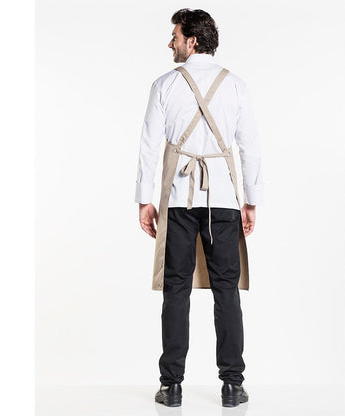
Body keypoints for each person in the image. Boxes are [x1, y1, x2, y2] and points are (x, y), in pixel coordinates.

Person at [135, 8, 264, 408]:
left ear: (192, 41)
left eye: (174, 36)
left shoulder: (164, 85)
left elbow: (149, 146)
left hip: (177, 201)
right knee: (227, 290)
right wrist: (251, 200)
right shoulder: (236, 86)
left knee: (176, 290)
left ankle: (171, 385)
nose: (170, 43)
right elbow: (250, 148)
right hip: (224, 201)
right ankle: (232, 385)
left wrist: (144, 199)